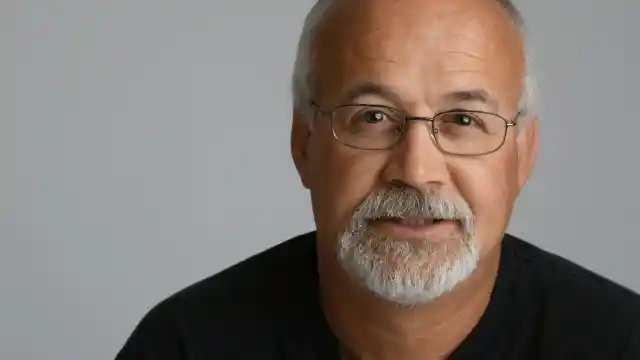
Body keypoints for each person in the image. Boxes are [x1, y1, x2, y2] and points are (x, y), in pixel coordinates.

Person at [115, 0, 640, 359]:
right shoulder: (186, 346)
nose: (415, 172)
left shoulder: (620, 344)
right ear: (304, 145)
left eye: (462, 121)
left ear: (522, 156)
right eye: (371, 116)